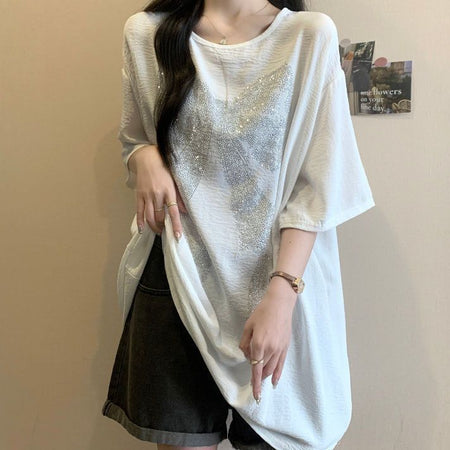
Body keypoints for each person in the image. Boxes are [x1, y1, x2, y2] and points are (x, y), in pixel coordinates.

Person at [101, 1, 376, 449]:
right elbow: (133, 137)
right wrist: (143, 157)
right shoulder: (147, 34)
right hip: (178, 279)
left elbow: (318, 183)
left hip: (280, 287)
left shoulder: (309, 36)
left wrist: (282, 295)